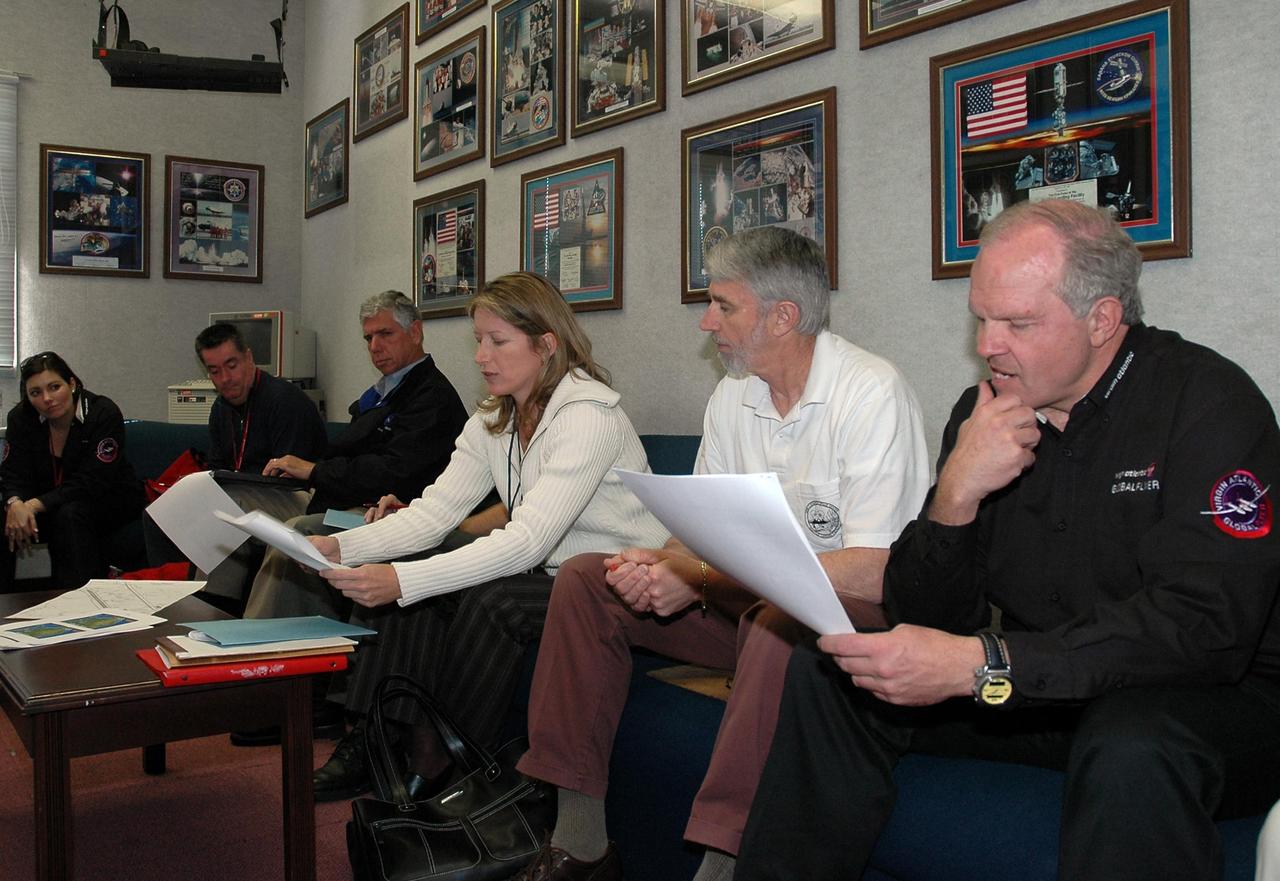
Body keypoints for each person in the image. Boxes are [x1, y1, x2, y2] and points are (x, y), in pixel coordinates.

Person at [735, 200, 1280, 881]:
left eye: (1018, 323)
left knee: (1133, 741)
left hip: (1211, 701)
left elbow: (1203, 629)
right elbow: (929, 618)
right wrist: (955, 497)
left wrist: (988, 664)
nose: (988, 345)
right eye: (982, 319)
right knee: (832, 670)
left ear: (1102, 318)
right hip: (1043, 688)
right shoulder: (984, 410)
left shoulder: (1208, 404)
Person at [511, 226, 931, 881]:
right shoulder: (735, 392)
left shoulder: (871, 391)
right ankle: (580, 840)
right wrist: (668, 565)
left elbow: (877, 570)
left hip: (847, 626)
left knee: (777, 618)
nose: (708, 321)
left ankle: (724, 862)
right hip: (754, 610)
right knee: (589, 579)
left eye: (724, 305)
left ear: (783, 316)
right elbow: (696, 527)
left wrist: (702, 574)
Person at [305, 271, 669, 803]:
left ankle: (457, 766)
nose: (481, 356)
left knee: (490, 597)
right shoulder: (493, 419)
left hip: (617, 581)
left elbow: (527, 542)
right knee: (426, 566)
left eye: (497, 341)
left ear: (546, 344)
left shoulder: (588, 416)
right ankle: (382, 740)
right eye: (479, 340)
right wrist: (342, 548)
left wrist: (402, 579)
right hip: (548, 574)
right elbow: (435, 514)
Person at [243, 290, 469, 622]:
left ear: (416, 332)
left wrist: (316, 472)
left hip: (388, 511)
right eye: (368, 338)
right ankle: (214, 605)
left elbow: (392, 473)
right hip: (347, 500)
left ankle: (279, 647)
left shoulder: (431, 397)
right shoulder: (383, 392)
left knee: (299, 534)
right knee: (245, 507)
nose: (375, 347)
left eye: (385, 334)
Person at [145, 323, 328, 608]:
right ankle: (174, 600)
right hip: (248, 494)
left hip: (304, 498)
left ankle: (215, 604)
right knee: (161, 510)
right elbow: (219, 467)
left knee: (228, 503)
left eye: (231, 365)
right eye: (215, 371)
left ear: (249, 359)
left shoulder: (284, 400)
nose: (225, 379)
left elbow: (293, 477)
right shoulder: (221, 409)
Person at [1, 352, 145, 592]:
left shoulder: (103, 413)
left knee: (70, 514)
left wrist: (33, 505)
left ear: (72, 383)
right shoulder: (21, 418)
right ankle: (7, 607)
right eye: (35, 392)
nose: (47, 398)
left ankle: (77, 605)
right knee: (6, 515)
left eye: (54, 387)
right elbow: (12, 472)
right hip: (50, 502)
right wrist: (15, 503)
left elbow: (92, 481)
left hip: (106, 500)